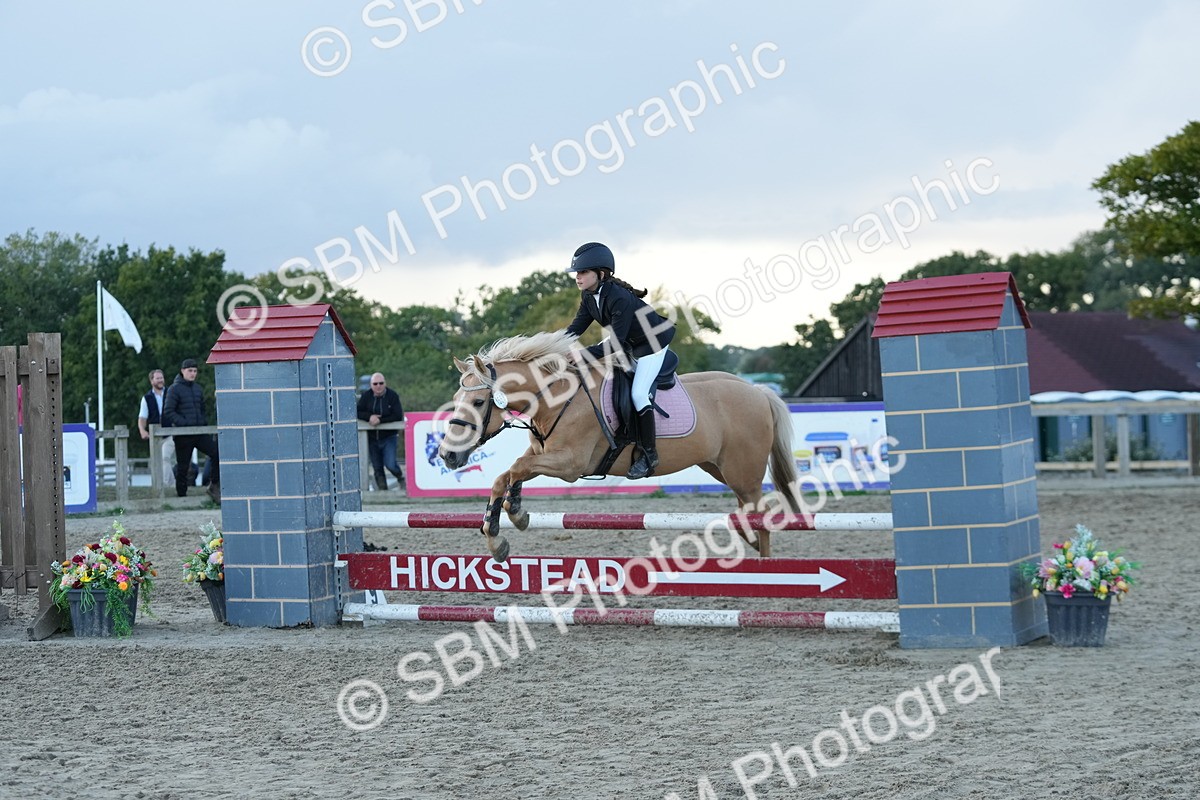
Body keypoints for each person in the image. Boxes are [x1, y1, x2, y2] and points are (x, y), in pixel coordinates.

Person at [564, 241, 675, 479]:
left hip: (652, 344)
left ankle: (649, 455)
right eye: (577, 272)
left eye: (583, 271)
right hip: (629, 343)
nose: (577, 276)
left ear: (601, 274)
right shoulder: (588, 296)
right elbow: (574, 329)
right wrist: (549, 347)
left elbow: (615, 344)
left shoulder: (619, 298)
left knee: (639, 394)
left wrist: (582, 355)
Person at [162, 358, 221, 503]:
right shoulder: (174, 389)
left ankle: (214, 485)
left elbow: (202, 409)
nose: (193, 373)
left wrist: (202, 423)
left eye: (195, 371)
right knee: (183, 466)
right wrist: (185, 424)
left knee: (216, 453)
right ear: (182, 371)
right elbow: (168, 411)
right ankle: (181, 496)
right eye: (190, 371)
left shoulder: (197, 389)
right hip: (183, 435)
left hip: (199, 433)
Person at [356, 372, 405, 491]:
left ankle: (400, 478)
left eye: (381, 383)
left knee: (390, 464)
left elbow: (398, 415)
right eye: (375, 384)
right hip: (372, 438)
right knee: (377, 468)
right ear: (371, 385)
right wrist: (370, 417)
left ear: (385, 383)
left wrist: (380, 420)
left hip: (389, 437)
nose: (378, 386)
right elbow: (358, 412)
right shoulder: (366, 396)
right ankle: (383, 493)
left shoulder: (392, 396)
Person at [137, 369, 177, 487]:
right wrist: (142, 430)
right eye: (157, 378)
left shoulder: (171, 393)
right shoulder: (147, 398)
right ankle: (171, 485)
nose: (160, 380)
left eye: (161, 378)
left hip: (170, 433)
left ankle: (166, 485)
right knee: (157, 462)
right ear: (151, 381)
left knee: (165, 457)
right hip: (155, 436)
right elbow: (142, 417)